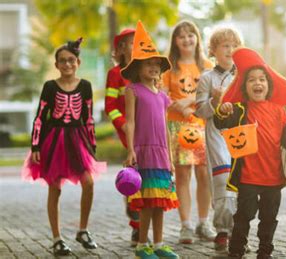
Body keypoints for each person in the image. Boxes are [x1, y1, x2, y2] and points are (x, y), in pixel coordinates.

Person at [213, 48, 286, 259]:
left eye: (262, 79)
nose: (257, 83)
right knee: (244, 216)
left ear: (269, 85)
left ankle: (265, 252)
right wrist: (223, 110)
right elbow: (220, 122)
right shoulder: (240, 109)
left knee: (269, 218)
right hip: (248, 178)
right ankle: (236, 251)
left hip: (274, 177)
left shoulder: (279, 110)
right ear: (245, 86)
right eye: (252, 80)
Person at [21, 38, 106, 256]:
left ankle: (83, 230)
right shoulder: (50, 87)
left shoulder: (85, 86)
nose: (67, 64)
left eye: (71, 60)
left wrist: (92, 146)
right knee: (55, 188)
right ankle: (57, 238)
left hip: (78, 140)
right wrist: (36, 146)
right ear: (56, 65)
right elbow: (40, 117)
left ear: (77, 62)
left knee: (88, 183)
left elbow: (88, 119)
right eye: (62, 61)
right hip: (54, 140)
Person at [121, 21, 179, 259]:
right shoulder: (132, 90)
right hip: (143, 152)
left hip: (161, 153)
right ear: (137, 68)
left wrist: (171, 157)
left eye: (157, 64)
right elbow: (130, 122)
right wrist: (131, 150)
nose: (154, 67)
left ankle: (159, 244)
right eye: (149, 64)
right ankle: (141, 245)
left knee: (159, 201)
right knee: (146, 202)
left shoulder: (163, 96)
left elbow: (165, 127)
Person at [162, 20, 215, 244]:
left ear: (197, 38)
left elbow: (214, 93)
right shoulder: (168, 67)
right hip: (178, 126)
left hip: (202, 125)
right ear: (175, 41)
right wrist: (178, 105)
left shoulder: (207, 66)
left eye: (191, 35)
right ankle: (186, 225)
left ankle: (204, 222)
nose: (187, 39)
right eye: (181, 36)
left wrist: (188, 100)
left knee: (204, 175)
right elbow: (162, 96)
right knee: (183, 175)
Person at [195, 27, 242, 251]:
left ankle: (239, 232)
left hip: (241, 138)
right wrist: (214, 101)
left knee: (242, 187)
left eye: (234, 45)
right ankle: (222, 230)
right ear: (213, 50)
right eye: (225, 46)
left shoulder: (243, 77)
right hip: (217, 139)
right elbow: (200, 112)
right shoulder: (206, 78)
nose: (230, 50)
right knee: (223, 183)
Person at [104, 28, 143, 246]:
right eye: (129, 42)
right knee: (134, 174)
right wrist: (124, 125)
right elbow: (110, 106)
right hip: (128, 132)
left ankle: (146, 224)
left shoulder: (146, 70)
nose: (134, 45)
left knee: (150, 175)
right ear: (120, 48)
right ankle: (136, 223)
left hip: (148, 131)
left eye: (137, 41)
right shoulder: (115, 74)